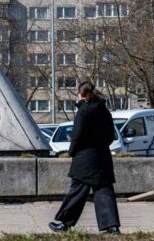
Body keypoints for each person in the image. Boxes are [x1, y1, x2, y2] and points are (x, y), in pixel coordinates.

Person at [49, 82, 120, 235]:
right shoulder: (104, 111)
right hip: (102, 156)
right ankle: (111, 226)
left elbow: (77, 135)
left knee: (78, 190)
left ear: (82, 95)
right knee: (104, 191)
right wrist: (100, 145)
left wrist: (72, 151)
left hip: (84, 158)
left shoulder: (84, 111)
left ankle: (64, 222)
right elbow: (111, 136)